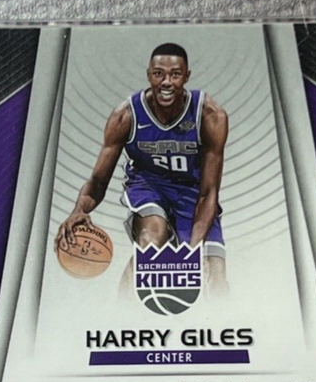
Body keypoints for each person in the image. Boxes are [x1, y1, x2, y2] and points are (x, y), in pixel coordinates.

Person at [55, 43, 228, 292]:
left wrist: (192, 252)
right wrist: (78, 210)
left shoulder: (210, 116)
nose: (166, 82)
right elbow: (98, 181)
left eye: (175, 74)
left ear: (187, 76)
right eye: (158, 73)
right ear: (148, 75)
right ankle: (124, 308)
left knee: (216, 279)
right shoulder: (125, 116)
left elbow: (208, 192)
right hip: (148, 186)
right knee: (151, 242)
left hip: (192, 192)